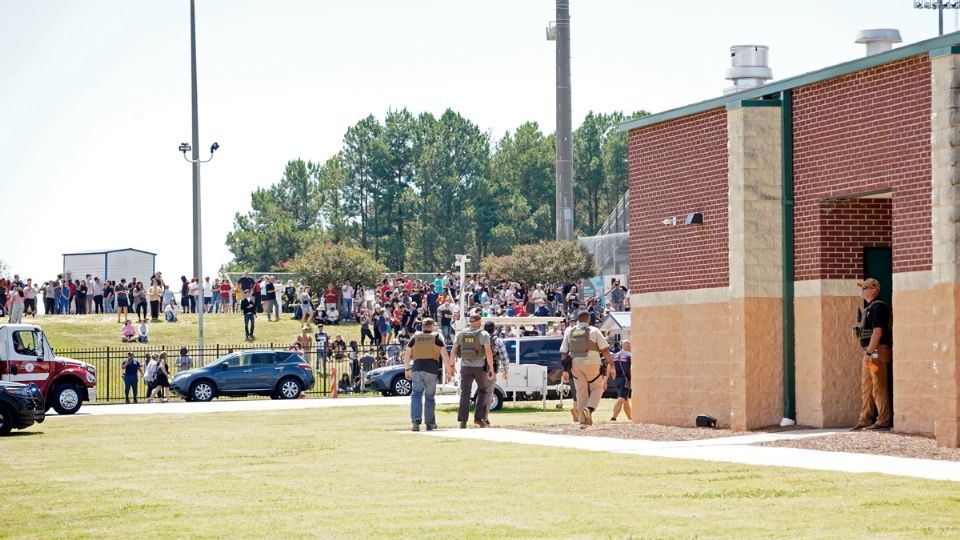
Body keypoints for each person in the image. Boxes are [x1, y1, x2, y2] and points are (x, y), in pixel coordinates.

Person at [560, 309, 613, 429]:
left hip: (575, 364)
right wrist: (612, 365)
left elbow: (564, 352)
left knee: (581, 391)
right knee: (597, 387)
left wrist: (565, 369)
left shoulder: (570, 332)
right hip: (592, 364)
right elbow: (605, 350)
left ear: (578, 319)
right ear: (588, 319)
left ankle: (583, 422)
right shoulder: (594, 331)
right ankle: (589, 409)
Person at [851, 278, 892, 431]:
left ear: (874, 290)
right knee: (866, 386)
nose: (862, 290)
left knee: (878, 386)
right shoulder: (869, 308)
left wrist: (869, 352)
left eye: (865, 287)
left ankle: (883, 420)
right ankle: (864, 419)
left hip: (876, 351)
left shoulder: (879, 307)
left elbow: (878, 332)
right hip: (869, 352)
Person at [402, 318, 450, 432]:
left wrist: (407, 369)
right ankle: (430, 423)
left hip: (417, 368)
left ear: (423, 326)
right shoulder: (437, 337)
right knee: (429, 397)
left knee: (416, 395)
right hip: (431, 370)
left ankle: (415, 422)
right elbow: (444, 355)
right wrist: (449, 370)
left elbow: (407, 353)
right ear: (432, 326)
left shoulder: (415, 337)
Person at [450, 313, 495, 429]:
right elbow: (488, 352)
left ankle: (463, 421)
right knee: (483, 391)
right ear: (479, 321)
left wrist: (451, 365)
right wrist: (491, 368)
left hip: (465, 367)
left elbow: (454, 350)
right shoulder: (483, 334)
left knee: (465, 393)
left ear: (470, 321)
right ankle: (478, 418)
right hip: (479, 368)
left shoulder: (462, 333)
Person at [480, 321, 509, 427]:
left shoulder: (480, 339)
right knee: (488, 394)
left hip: (476, 369)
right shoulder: (497, 340)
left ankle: (478, 417)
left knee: (480, 393)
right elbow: (504, 356)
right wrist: (506, 370)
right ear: (494, 329)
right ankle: (484, 418)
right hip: (490, 370)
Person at [610, 340, 633, 421]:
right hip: (625, 380)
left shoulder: (615, 355)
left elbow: (610, 367)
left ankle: (630, 418)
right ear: (629, 346)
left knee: (625, 400)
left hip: (616, 380)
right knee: (621, 399)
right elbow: (632, 369)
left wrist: (607, 379)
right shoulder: (630, 355)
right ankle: (613, 417)